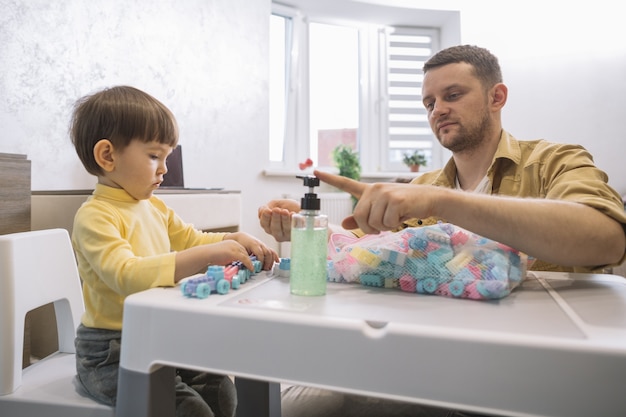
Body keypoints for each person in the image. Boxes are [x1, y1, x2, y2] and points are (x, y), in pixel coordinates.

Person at [258, 45, 626, 417]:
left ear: (496, 97)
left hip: (533, 362)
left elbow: (606, 239)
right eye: (429, 103)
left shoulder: (556, 162)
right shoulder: (425, 185)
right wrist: (308, 228)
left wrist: (442, 202)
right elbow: (373, 253)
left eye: (452, 95)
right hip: (429, 355)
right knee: (300, 400)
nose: (438, 110)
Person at [70, 85, 278, 417]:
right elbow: (126, 275)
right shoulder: (95, 216)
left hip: (160, 335)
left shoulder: (154, 207)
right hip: (110, 351)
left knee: (221, 388)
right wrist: (207, 256)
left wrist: (236, 239)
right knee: (189, 409)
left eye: (167, 157)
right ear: (107, 156)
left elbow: (192, 240)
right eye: (155, 156)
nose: (164, 169)